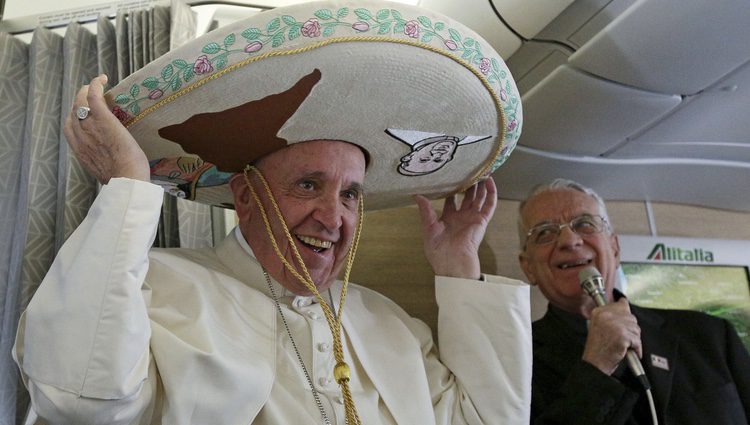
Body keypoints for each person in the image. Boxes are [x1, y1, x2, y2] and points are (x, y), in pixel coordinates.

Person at [13, 1, 531, 424]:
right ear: (245, 197)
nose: (334, 217)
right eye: (309, 185)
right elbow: (77, 401)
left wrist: (459, 267)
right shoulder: (155, 291)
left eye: (351, 194)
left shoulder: (393, 325)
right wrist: (130, 187)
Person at [517, 178, 750, 424]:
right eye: (544, 232)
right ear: (528, 268)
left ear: (615, 249)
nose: (569, 241)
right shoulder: (516, 362)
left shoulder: (710, 335)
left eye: (585, 224)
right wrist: (597, 367)